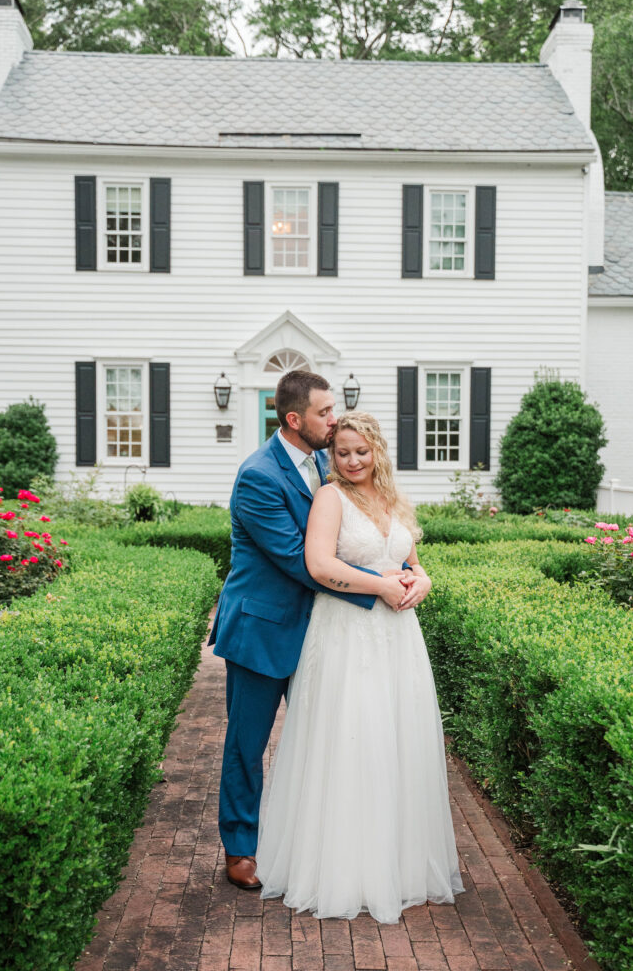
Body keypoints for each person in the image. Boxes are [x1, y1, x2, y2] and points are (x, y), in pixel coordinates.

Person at [209, 372, 430, 890]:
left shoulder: (324, 467)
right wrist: (381, 587)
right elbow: (299, 559)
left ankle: (323, 848)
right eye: (325, 413)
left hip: (327, 631)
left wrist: (414, 574)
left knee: (328, 742)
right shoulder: (259, 476)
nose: (334, 420)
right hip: (264, 630)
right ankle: (240, 850)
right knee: (248, 745)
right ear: (295, 420)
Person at [255, 411, 464, 922]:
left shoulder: (392, 498)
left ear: (377, 451)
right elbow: (320, 565)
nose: (351, 461)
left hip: (398, 637)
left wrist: (422, 582)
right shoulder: (330, 498)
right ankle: (346, 871)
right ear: (332, 454)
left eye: (360, 452)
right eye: (342, 452)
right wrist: (383, 586)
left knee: (395, 740)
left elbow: (413, 562)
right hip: (347, 635)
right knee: (355, 738)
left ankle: (398, 866)